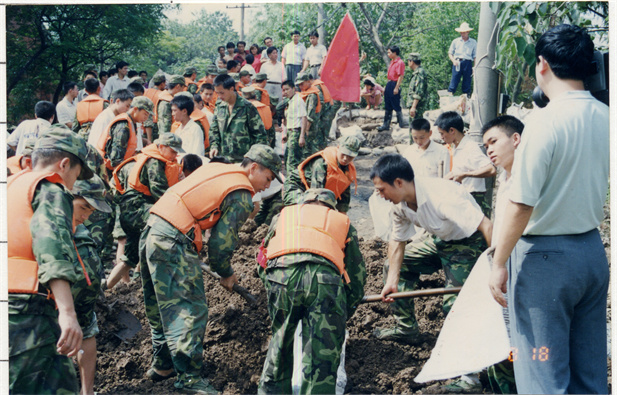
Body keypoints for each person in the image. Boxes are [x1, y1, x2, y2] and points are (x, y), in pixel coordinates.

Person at [489, 24, 609, 394]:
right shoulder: (606, 117)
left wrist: (498, 262)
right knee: (589, 375)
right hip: (591, 251)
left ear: (542, 65)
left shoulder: (542, 122)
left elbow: (521, 202)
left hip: (545, 261)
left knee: (541, 371)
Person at [141, 144, 282, 393]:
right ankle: (189, 379)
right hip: (172, 240)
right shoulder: (241, 193)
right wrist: (226, 272)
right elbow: (219, 244)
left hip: (153, 228)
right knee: (191, 310)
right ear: (254, 167)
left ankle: (163, 365)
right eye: (268, 178)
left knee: (160, 305)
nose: (268, 186)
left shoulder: (219, 168)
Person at [8, 125, 94, 394]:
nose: (72, 185)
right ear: (65, 164)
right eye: (76, 176)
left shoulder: (13, 184)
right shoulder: (50, 188)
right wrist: (68, 314)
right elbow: (51, 246)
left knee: (57, 382)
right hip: (26, 309)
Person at [370, 153, 492, 343]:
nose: (380, 195)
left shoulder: (443, 197)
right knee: (393, 266)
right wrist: (393, 279)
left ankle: (469, 354)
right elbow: (397, 240)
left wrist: (497, 266)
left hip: (467, 244)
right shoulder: (399, 205)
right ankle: (406, 329)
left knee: (455, 304)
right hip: (440, 240)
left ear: (399, 182)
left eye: (382, 190)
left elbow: (487, 226)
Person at [258, 188, 366, 394]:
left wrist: (272, 289)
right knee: (321, 356)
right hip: (324, 281)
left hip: (281, 277)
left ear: (303, 203)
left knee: (279, 345)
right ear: (330, 207)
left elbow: (262, 259)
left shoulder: (283, 216)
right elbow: (356, 276)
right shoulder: (342, 221)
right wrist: (342, 313)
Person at [107, 133, 184, 289]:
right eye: (173, 151)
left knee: (129, 258)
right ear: (161, 147)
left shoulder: (147, 158)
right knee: (165, 230)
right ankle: (153, 285)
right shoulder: (154, 162)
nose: (175, 155)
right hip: (137, 210)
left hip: (131, 212)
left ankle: (106, 288)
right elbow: (160, 194)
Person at [70, 175, 113, 395]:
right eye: (83, 207)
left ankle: (87, 392)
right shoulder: (49, 220)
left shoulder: (79, 226)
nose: (86, 215)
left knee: (86, 331)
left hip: (84, 296)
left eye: (91, 210)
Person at [435, 111, 496, 216]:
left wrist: (464, 175)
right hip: (464, 199)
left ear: (452, 130)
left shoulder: (469, 147)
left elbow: (491, 169)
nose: (441, 137)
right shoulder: (457, 147)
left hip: (475, 200)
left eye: (442, 133)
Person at [283, 135, 360, 213]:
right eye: (343, 154)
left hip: (312, 194)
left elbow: (343, 203)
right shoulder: (322, 163)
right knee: (308, 211)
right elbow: (315, 197)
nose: (345, 158)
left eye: (350, 156)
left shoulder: (348, 171)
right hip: (296, 188)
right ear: (338, 147)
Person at [208, 74, 268, 162]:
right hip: (223, 159)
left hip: (243, 160)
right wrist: (214, 146)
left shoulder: (247, 107)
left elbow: (260, 135)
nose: (219, 96)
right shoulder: (219, 106)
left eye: (222, 93)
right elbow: (214, 130)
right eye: (217, 93)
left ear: (231, 89)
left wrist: (253, 158)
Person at [95, 96, 153, 172]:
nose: (146, 118)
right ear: (135, 109)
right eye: (145, 114)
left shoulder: (132, 123)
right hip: (106, 170)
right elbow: (116, 160)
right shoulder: (123, 126)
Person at [279, 79, 308, 174]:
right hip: (291, 132)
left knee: (292, 160)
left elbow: (304, 118)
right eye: (283, 90)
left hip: (296, 132)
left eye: (287, 89)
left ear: (293, 89)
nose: (285, 92)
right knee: (288, 158)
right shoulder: (290, 101)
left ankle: (293, 182)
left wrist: (302, 136)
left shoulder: (298, 101)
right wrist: (286, 135)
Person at [378, 46, 408, 131]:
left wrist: (396, 87)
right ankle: (386, 124)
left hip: (394, 84)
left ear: (394, 53)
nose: (388, 54)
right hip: (389, 83)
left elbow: (400, 76)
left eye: (389, 52)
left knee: (395, 104)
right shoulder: (392, 62)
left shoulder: (400, 62)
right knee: (388, 105)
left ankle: (400, 123)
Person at [296, 73, 322, 153]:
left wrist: (305, 131)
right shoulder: (305, 92)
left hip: (310, 127)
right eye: (299, 85)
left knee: (307, 150)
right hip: (305, 125)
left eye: (302, 84)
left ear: (308, 82)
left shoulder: (312, 96)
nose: (300, 87)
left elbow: (310, 116)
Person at [448, 23, 476, 96]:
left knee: (467, 84)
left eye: (464, 32)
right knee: (454, 82)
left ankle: (466, 101)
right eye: (461, 32)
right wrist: (453, 61)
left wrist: (474, 67)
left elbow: (475, 56)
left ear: (468, 32)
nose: (462, 34)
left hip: (468, 63)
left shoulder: (473, 42)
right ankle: (449, 98)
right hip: (457, 62)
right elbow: (450, 53)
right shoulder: (455, 41)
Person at [406, 53, 428, 121]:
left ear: (412, 61)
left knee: (415, 129)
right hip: (416, 106)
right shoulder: (418, 72)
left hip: (417, 107)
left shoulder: (419, 73)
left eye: (408, 61)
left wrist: (413, 107)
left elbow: (418, 92)